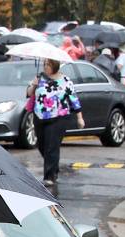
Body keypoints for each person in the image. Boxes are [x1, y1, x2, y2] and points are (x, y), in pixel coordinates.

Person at [26, 59, 84, 187]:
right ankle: (53, 168)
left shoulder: (65, 80)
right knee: (42, 145)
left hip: (59, 117)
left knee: (52, 146)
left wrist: (80, 118)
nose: (46, 67)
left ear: (55, 66)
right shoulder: (39, 78)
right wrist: (34, 85)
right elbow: (29, 94)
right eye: (45, 64)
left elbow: (74, 99)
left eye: (49, 65)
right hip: (39, 116)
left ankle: (49, 176)